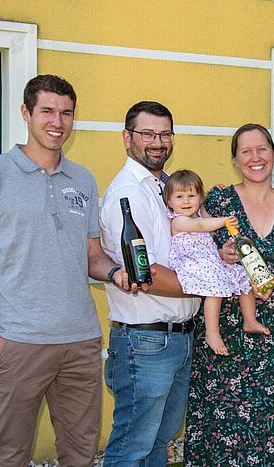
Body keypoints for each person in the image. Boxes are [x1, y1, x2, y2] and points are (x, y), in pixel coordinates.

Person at [0, 74, 132, 467]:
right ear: (26, 113)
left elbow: (91, 255)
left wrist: (118, 273)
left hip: (80, 342)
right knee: (9, 457)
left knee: (81, 455)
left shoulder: (82, 178)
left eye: (66, 113)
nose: (57, 122)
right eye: (47, 111)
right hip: (18, 342)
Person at [183, 123, 274, 466]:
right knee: (220, 422)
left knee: (268, 422)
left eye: (262, 149)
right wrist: (219, 254)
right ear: (235, 160)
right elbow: (189, 250)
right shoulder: (217, 201)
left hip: (270, 330)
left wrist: (269, 281)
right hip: (222, 329)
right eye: (246, 151)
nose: (256, 158)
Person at [99, 101, 201, 466]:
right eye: (147, 134)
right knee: (131, 448)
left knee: (157, 443)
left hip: (177, 337)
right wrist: (210, 285)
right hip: (145, 341)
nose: (157, 142)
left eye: (165, 134)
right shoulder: (128, 194)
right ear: (127, 138)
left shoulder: (168, 187)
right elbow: (147, 274)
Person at [164, 168, 269, 356]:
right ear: (169, 201)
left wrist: (206, 201)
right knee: (215, 283)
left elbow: (207, 226)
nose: (186, 201)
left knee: (241, 274)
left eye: (192, 195)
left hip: (209, 261)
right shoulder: (178, 221)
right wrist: (224, 221)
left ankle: (250, 319)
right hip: (192, 263)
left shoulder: (197, 215)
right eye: (179, 197)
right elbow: (201, 226)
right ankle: (212, 333)